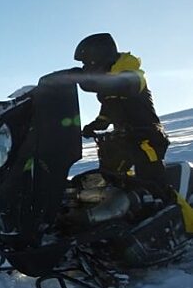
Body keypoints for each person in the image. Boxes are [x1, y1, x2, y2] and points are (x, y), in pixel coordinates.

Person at [73, 33, 172, 202]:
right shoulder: (109, 85)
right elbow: (110, 109)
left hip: (146, 139)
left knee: (157, 188)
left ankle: (184, 221)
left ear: (99, 57)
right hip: (123, 141)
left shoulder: (132, 74)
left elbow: (126, 86)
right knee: (114, 183)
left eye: (87, 63)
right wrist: (97, 124)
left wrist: (88, 81)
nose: (86, 67)